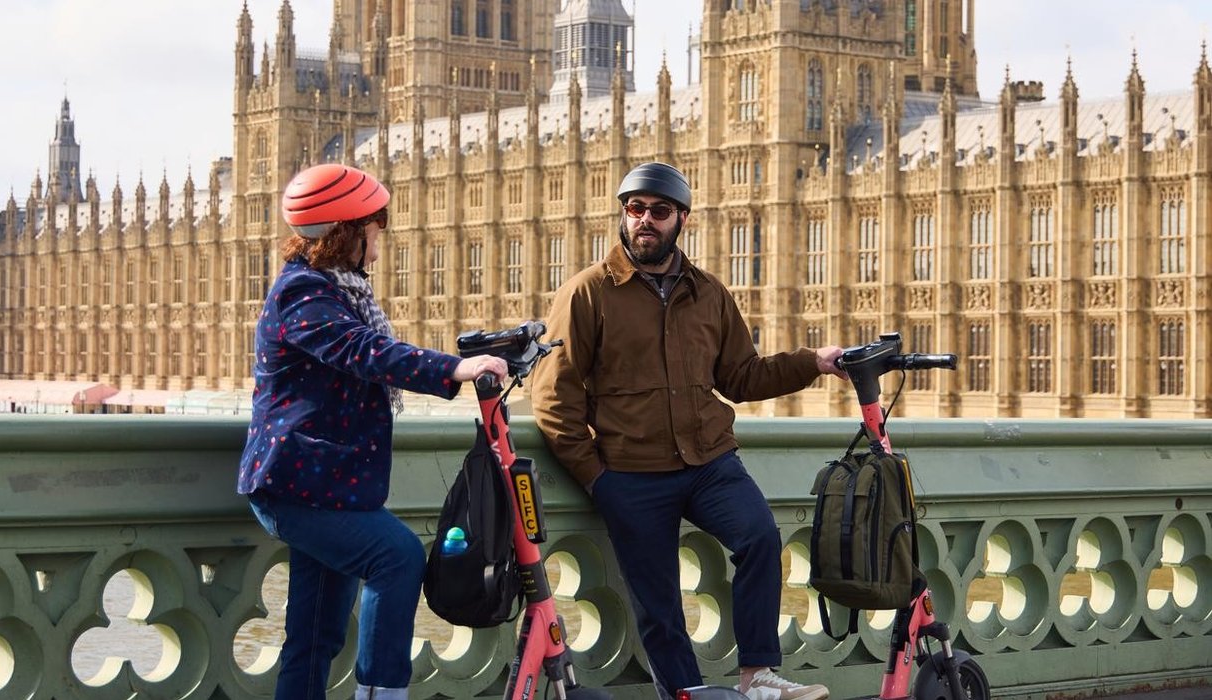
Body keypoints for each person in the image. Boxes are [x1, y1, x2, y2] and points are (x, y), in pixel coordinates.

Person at [529, 162, 846, 700]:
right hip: (630, 473)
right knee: (660, 609)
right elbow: (553, 395)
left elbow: (741, 377)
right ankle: (685, 695)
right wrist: (597, 478)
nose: (645, 221)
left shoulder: (708, 293)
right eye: (634, 210)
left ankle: (758, 676)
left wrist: (813, 362)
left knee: (761, 539)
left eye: (658, 211)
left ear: (681, 219)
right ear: (623, 215)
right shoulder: (588, 292)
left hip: (709, 462)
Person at [237, 163, 507, 700]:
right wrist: (455, 369)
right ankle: (383, 693)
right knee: (397, 557)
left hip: (330, 487)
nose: (383, 233)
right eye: (376, 224)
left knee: (313, 636)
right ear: (348, 231)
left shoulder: (340, 291)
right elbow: (367, 353)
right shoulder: (304, 294)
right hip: (296, 487)